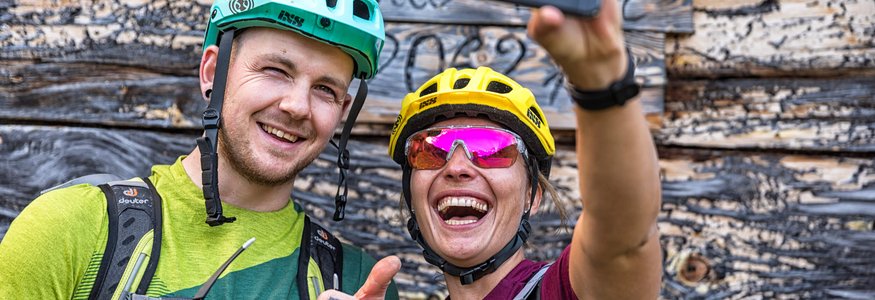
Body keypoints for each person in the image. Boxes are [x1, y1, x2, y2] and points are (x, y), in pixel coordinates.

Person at [0, 0, 400, 299]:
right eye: (276, 70)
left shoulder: (355, 282)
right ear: (213, 72)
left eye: (325, 89)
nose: (297, 106)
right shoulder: (71, 228)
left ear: (342, 111)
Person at [384, 2, 662, 299]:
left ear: (533, 196)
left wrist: (602, 83)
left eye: (491, 149)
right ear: (411, 192)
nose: (456, 167)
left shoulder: (561, 292)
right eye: (429, 150)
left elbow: (622, 241)